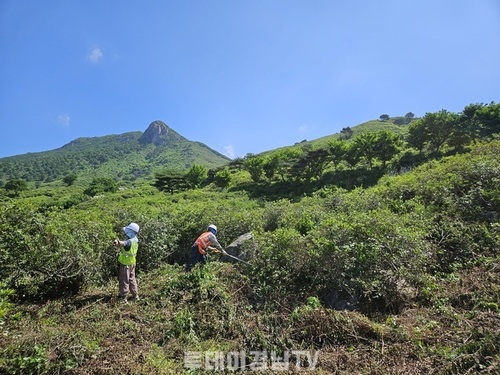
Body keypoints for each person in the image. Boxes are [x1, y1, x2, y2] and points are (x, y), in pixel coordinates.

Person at [113, 222, 140, 302]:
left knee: (124, 279)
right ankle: (135, 296)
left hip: (125, 264)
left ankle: (123, 297)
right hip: (132, 263)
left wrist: (117, 242)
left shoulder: (129, 242)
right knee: (132, 279)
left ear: (130, 232)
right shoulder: (135, 240)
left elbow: (123, 243)